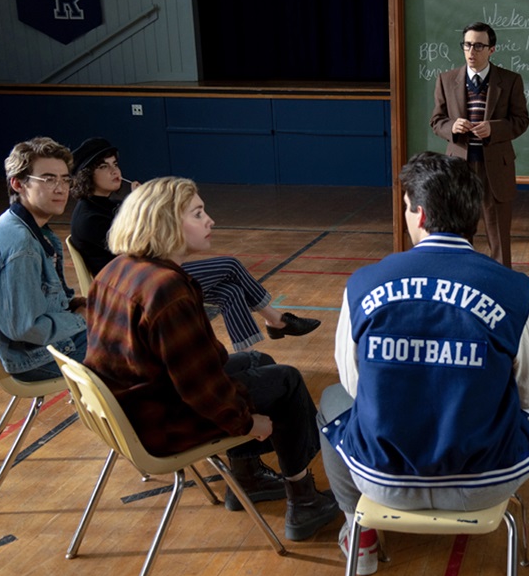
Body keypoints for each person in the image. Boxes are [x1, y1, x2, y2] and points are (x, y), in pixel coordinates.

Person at [318, 152, 529, 576]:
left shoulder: (363, 284)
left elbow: (354, 390)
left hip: (381, 479)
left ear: (419, 213)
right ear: (473, 216)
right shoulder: (517, 290)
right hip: (485, 479)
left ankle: (360, 535)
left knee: (330, 401)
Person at [83, 177, 338, 538]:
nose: (210, 221)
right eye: (198, 213)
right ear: (166, 222)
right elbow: (199, 387)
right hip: (162, 424)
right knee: (288, 380)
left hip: (134, 408)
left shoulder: (117, 269)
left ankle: (247, 477)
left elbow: (196, 366)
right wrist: (247, 424)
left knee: (257, 360)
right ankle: (303, 498)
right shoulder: (166, 288)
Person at [68, 137, 319, 352]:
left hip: (148, 279)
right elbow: (142, 253)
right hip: (138, 289)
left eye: (115, 164)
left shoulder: (107, 207)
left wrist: (138, 203)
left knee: (230, 292)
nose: (115, 172)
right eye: (104, 167)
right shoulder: (90, 218)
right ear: (87, 175)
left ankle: (250, 355)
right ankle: (276, 321)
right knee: (230, 265)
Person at [0, 137, 87, 381]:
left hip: (41, 347)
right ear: (18, 184)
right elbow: (25, 327)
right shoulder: (19, 246)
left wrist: (76, 305)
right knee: (140, 349)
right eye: (48, 179)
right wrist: (79, 320)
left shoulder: (29, 228)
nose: (61, 188)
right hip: (34, 359)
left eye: (65, 179)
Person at [430, 22, 529, 268]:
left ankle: (502, 282)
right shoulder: (446, 79)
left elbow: (521, 121)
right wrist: (451, 127)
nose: (471, 51)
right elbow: (436, 121)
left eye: (478, 46)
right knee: (460, 230)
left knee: (498, 234)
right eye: (466, 45)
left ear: (491, 49)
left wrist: (494, 129)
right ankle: (464, 278)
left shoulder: (510, 80)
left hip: (495, 167)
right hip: (459, 166)